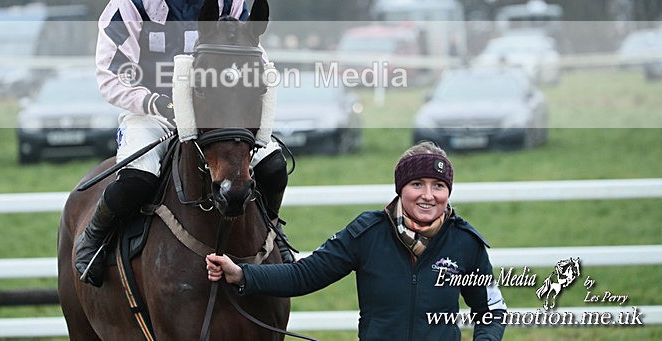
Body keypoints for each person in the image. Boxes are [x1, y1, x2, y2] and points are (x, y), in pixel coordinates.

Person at [75, 0, 293, 287]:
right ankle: (94, 240)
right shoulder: (131, 0)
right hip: (153, 111)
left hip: (217, 114)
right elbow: (110, 75)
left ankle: (275, 232)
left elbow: (252, 56)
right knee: (136, 181)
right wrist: (157, 102)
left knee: (275, 167)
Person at [206, 141, 507, 340]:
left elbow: (492, 310)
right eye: (418, 184)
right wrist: (243, 274)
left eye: (438, 186)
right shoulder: (368, 232)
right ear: (401, 188)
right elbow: (305, 275)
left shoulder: (465, 243)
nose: (428, 195)